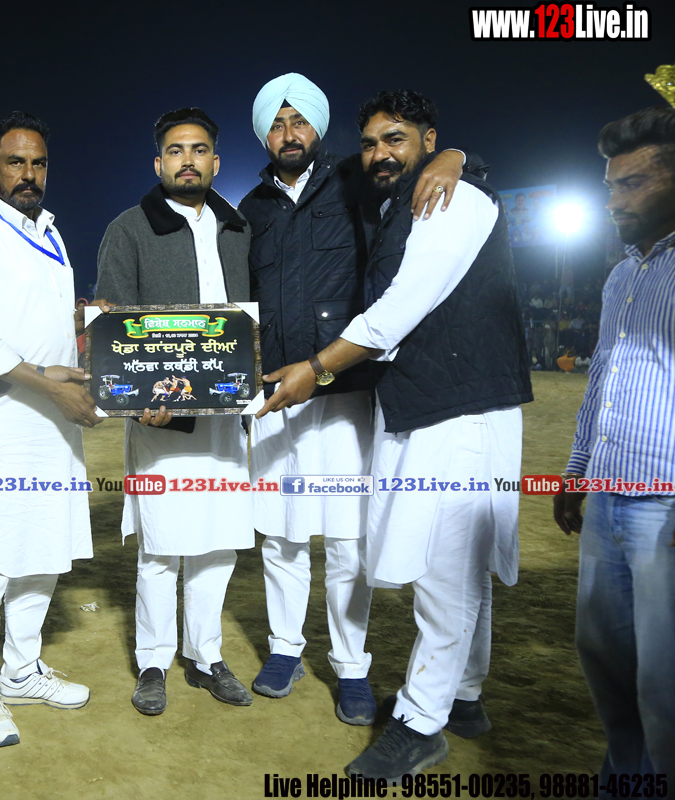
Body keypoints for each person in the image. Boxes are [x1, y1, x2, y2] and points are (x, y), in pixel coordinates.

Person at [260, 89, 531, 779]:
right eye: (371, 143)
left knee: (447, 574)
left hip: (461, 411)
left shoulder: (453, 199)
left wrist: (317, 368)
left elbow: (400, 309)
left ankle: (420, 722)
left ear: (428, 140)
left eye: (397, 139)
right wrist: (456, 155)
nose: (381, 153)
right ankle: (463, 696)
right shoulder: (395, 204)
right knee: (462, 567)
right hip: (426, 404)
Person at [242, 74, 469, 725]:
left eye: (300, 121)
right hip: (275, 392)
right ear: (264, 135)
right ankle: (285, 648)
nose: (290, 134)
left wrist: (457, 156)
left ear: (317, 126)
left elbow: (421, 166)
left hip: (343, 388)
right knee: (280, 534)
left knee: (346, 537)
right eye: (277, 123)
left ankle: (350, 666)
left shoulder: (357, 182)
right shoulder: (250, 209)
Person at [0, 111, 99, 748]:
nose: (28, 174)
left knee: (42, 550)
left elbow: (40, 326)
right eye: (15, 162)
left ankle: (21, 669)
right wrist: (53, 386)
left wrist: (81, 346)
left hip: (52, 429)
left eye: (37, 163)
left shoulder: (52, 234)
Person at [95, 108, 255, 715]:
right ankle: (154, 661)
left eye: (200, 149)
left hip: (226, 415)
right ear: (158, 161)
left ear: (216, 160)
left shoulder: (238, 228)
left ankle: (206, 656)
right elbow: (115, 325)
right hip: (161, 419)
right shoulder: (129, 229)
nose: (188, 160)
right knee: (161, 547)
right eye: (176, 150)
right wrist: (140, 402)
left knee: (218, 541)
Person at [553, 105, 675, 778]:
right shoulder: (622, 274)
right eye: (609, 186)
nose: (613, 201)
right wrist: (577, 471)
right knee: (606, 662)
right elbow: (602, 375)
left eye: (632, 184)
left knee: (665, 685)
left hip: (666, 505)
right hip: (605, 498)